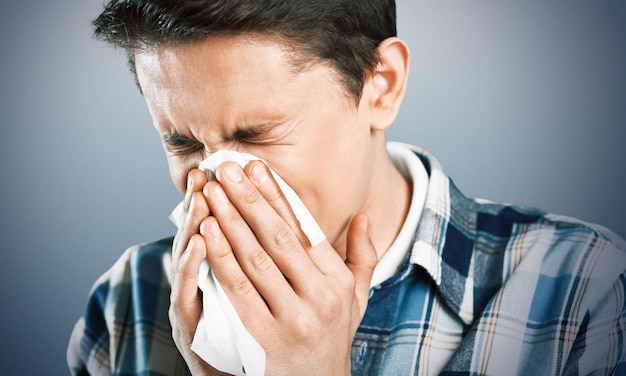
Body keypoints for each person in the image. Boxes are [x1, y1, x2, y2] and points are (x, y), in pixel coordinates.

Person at [67, 0, 626, 375]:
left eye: (254, 136)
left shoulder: (582, 292)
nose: (219, 182)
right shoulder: (128, 303)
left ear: (381, 86)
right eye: (183, 144)